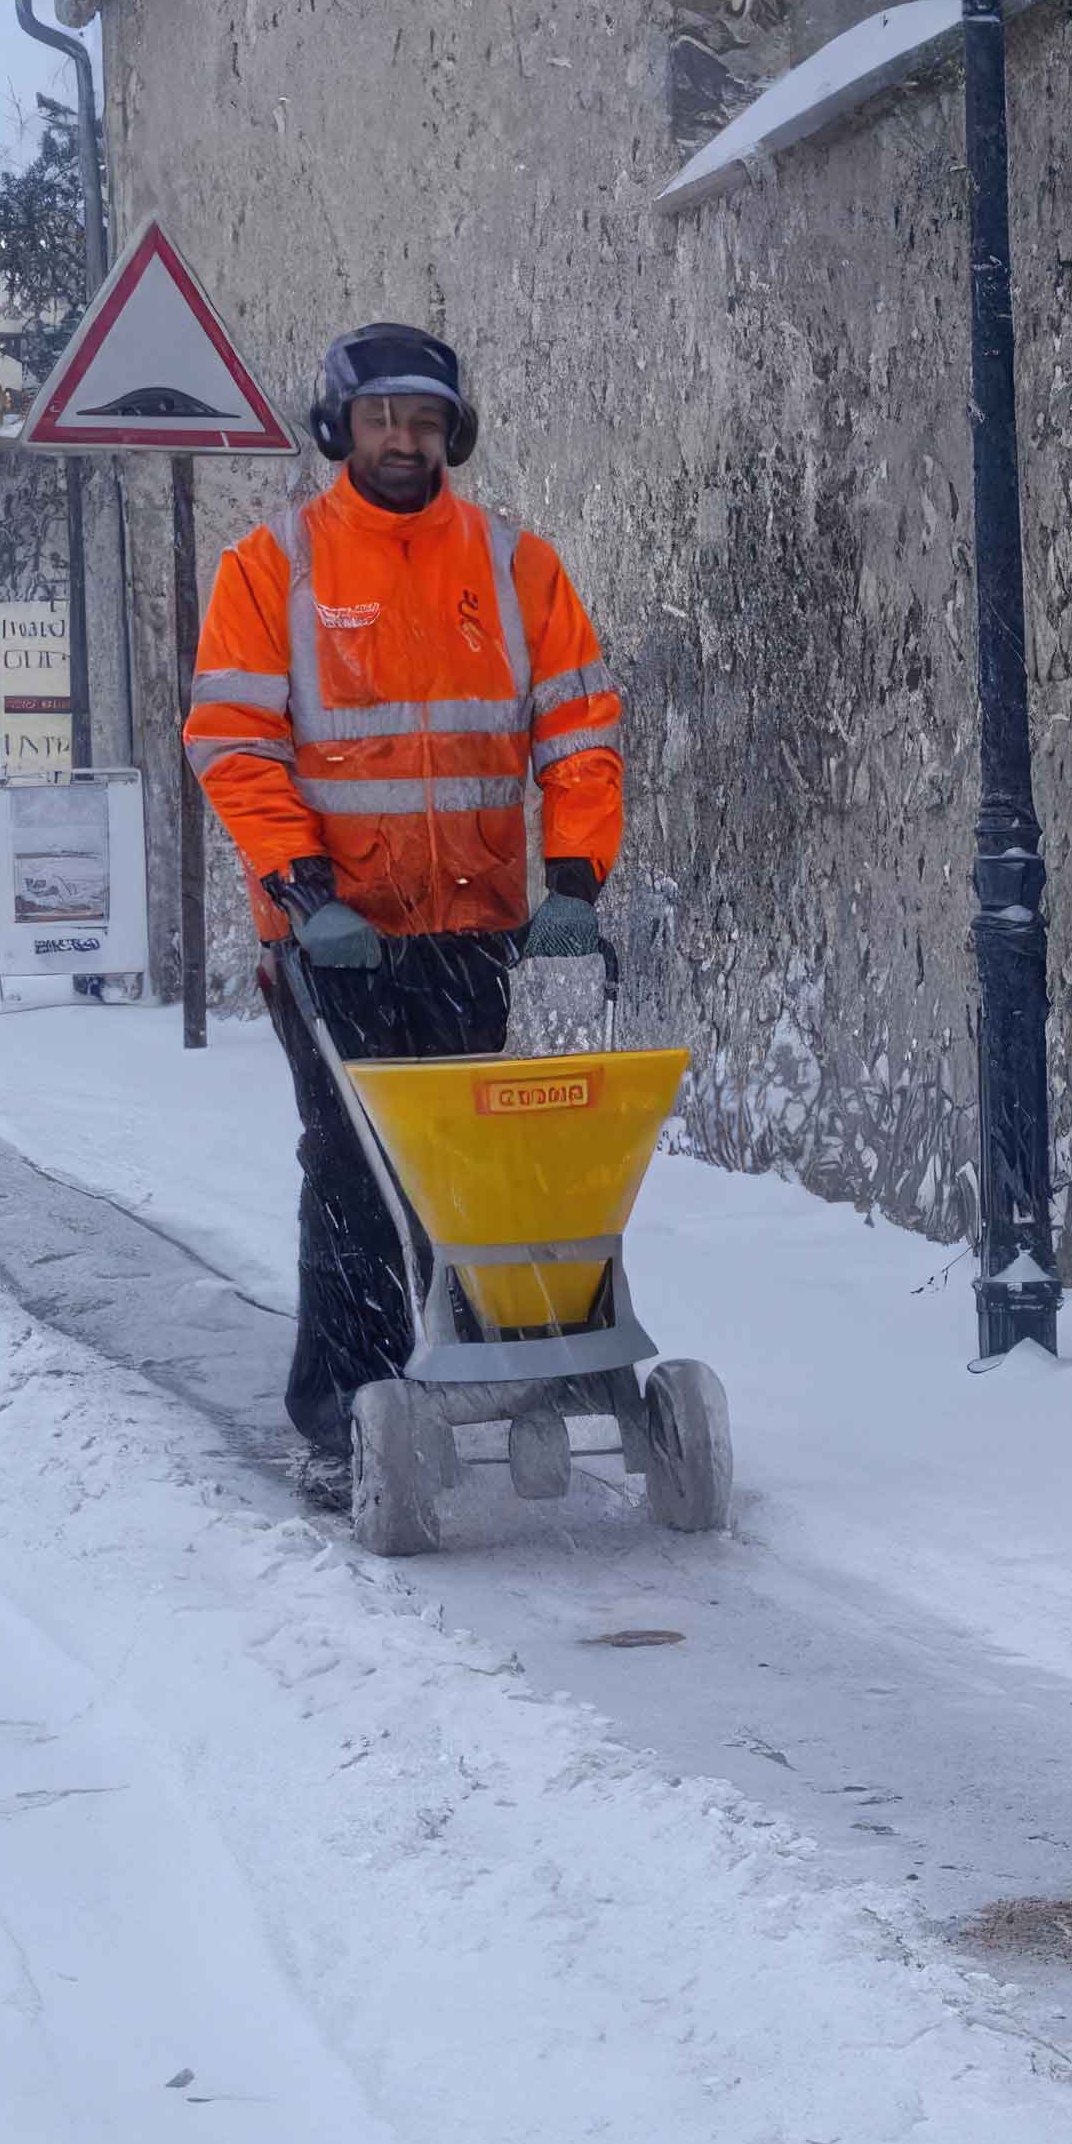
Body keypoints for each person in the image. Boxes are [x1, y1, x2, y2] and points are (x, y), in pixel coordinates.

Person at [181, 321, 624, 1492]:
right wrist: (300, 885)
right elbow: (233, 743)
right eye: (380, 417)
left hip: (474, 924)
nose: (402, 439)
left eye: (424, 421)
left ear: (452, 435)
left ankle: (461, 1374)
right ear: (340, 426)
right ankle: (344, 1410)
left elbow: (578, 729)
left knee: (463, 1169)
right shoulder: (272, 566)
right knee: (352, 1170)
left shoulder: (516, 565)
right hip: (335, 938)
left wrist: (574, 879)